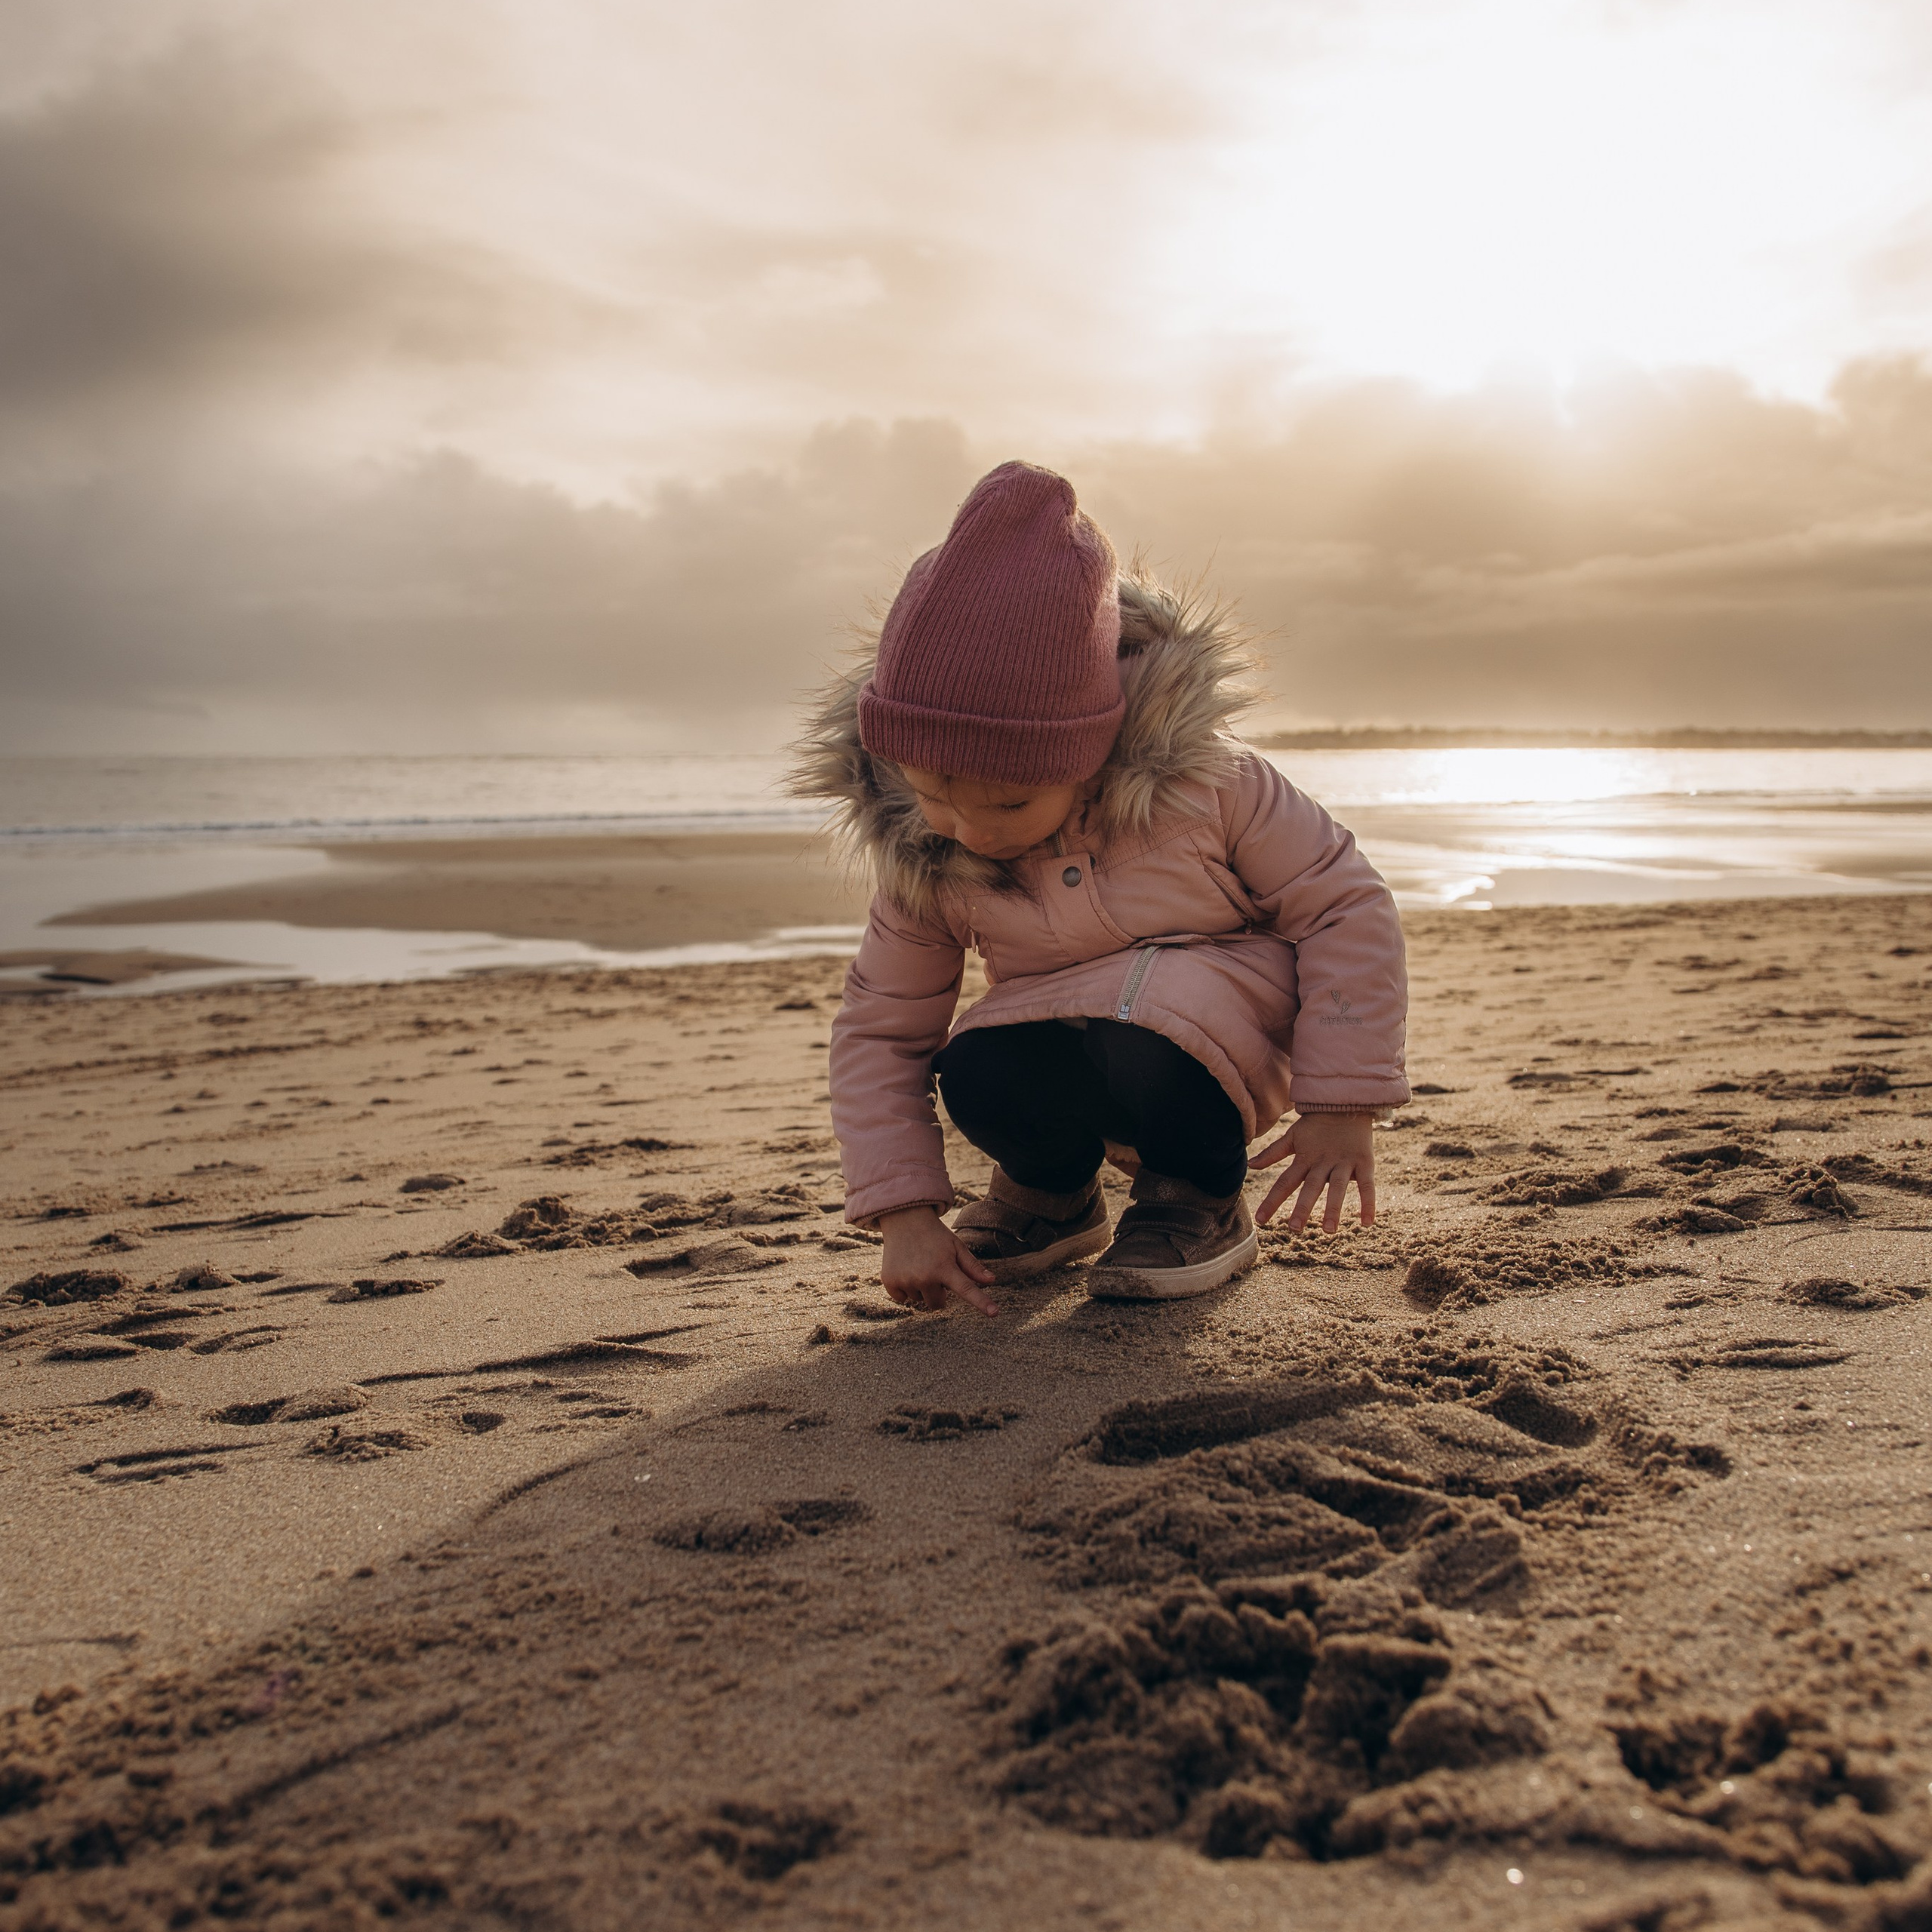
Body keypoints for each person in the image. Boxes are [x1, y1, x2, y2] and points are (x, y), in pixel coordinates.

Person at [791, 460, 1409, 1314]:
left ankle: (1195, 1198)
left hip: (1218, 1043)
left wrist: (1343, 1101)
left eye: (1008, 800)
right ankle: (1049, 1193)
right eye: (931, 793)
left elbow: (1342, 903)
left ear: (1090, 751)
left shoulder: (1209, 789)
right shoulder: (927, 850)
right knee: (974, 1063)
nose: (969, 828)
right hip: (1069, 1034)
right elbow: (881, 1027)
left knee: (1149, 1037)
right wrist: (903, 1211)